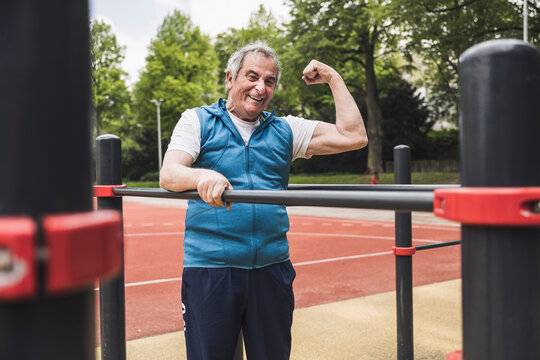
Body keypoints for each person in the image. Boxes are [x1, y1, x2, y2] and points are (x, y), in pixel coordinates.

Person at [160, 41, 368, 360]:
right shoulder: (198, 120)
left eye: (269, 81)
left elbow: (354, 136)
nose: (261, 87)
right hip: (212, 270)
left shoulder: (285, 129)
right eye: (252, 76)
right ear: (230, 78)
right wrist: (202, 176)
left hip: (271, 270)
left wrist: (333, 77)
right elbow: (170, 173)